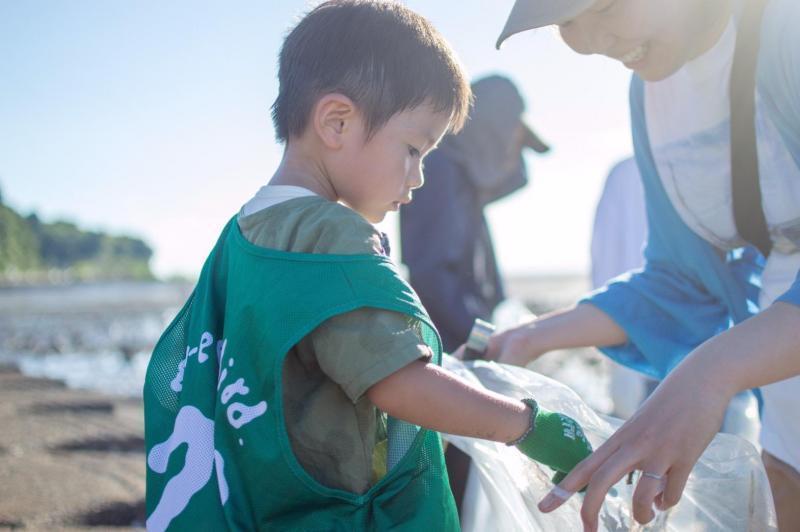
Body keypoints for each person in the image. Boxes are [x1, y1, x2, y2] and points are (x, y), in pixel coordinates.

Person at [142, 2, 593, 530]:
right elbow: (400, 383)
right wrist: (527, 425)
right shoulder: (330, 235)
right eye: (413, 149)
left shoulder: (243, 233)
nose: (420, 176)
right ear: (336, 122)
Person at [491, 0, 800, 530]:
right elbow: (681, 279)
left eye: (606, 6)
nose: (591, 40)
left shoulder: (786, 31)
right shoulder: (650, 92)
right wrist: (533, 337)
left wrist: (711, 373)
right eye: (566, 22)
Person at [399, 74, 549, 514]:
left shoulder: (464, 178)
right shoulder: (441, 171)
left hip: (464, 342)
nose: (510, 150)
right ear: (489, 129)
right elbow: (429, 271)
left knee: (463, 473)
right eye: (509, 134)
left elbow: (511, 178)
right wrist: (480, 344)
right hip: (452, 350)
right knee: (450, 474)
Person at [589, 157, 653, 419]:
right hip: (707, 343)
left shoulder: (624, 173)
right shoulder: (626, 173)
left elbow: (603, 261)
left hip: (633, 336)